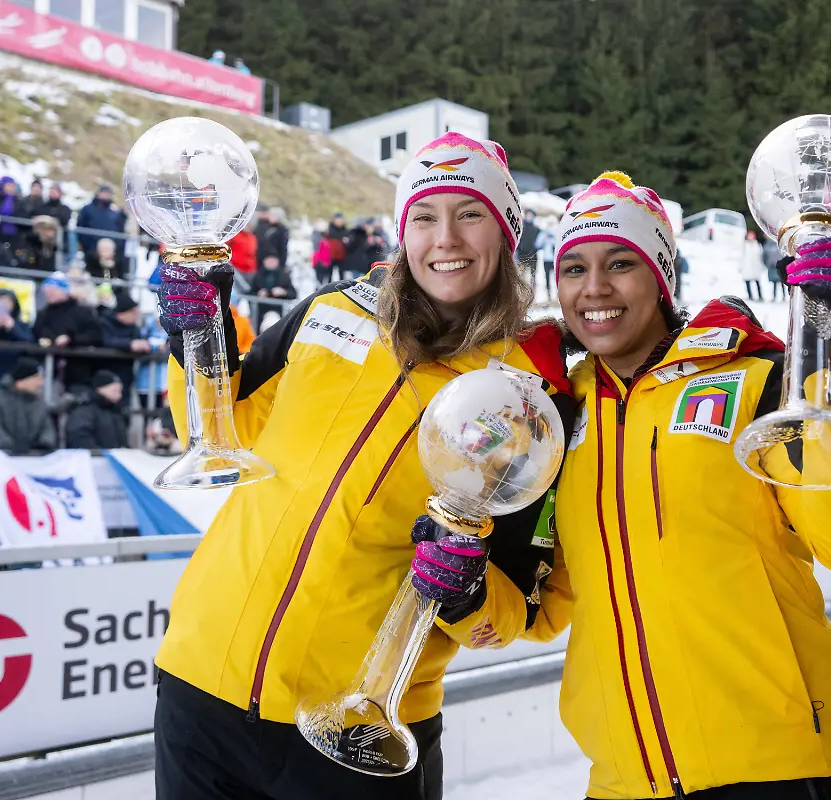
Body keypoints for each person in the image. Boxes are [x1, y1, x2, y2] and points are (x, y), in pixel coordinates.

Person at [151, 132, 574, 800]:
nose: (447, 240)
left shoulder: (530, 395)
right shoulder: (328, 312)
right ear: (403, 231)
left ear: (506, 234)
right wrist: (195, 340)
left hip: (359, 728)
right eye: (427, 216)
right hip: (204, 682)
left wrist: (465, 593)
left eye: (472, 215)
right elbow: (219, 430)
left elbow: (521, 608)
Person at [527, 171, 831, 800]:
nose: (595, 289)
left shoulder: (756, 382)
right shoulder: (553, 413)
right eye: (573, 269)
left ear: (663, 276)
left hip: (788, 766)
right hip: (626, 781)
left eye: (621, 263)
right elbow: (546, 605)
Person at [32, 273, 103, 396]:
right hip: (50, 370)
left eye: (53, 291)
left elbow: (96, 336)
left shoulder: (82, 312)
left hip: (78, 372)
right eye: (47, 291)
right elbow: (36, 333)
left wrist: (72, 339)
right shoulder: (43, 314)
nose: (49, 294)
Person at [0, 357, 57, 453]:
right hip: (0, 459)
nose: (41, 384)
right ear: (21, 380)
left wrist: (44, 445)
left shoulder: (39, 403)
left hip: (34, 460)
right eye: (37, 378)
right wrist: (10, 448)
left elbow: (47, 430)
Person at [100, 291, 149, 398]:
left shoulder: (134, 327)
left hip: (126, 373)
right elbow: (104, 341)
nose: (136, 316)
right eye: (133, 313)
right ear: (123, 313)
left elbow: (140, 341)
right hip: (106, 369)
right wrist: (129, 344)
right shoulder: (105, 323)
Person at [65, 370, 128, 449]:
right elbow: (79, 438)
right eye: (115, 391)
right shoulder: (84, 409)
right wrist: (100, 455)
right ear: (101, 389)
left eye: (120, 391)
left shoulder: (115, 411)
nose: (119, 396)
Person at [75, 185, 126, 259]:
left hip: (110, 250)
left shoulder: (115, 212)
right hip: (91, 248)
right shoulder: (87, 209)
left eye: (108, 193)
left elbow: (120, 230)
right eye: (103, 193)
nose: (106, 195)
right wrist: (87, 245)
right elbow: (80, 225)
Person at [0, 176, 28, 248]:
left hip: (14, 235)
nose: (11, 188)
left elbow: (23, 215)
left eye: (13, 185)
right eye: (8, 185)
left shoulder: (19, 201)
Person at [254, 205, 289, 271]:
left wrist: (282, 264)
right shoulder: (264, 225)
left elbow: (283, 248)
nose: (270, 216)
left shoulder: (282, 230)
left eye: (273, 215)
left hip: (273, 260)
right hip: (260, 259)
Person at [739, 229, 764, 301]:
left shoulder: (757, 245)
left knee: (757, 282)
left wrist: (761, 266)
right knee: (747, 282)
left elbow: (760, 256)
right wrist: (740, 266)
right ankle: (750, 295)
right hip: (747, 266)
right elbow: (741, 256)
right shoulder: (745, 246)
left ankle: (760, 295)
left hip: (755, 266)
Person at [762, 236, 783, 301]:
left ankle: (784, 296)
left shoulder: (780, 244)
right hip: (772, 267)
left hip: (780, 267)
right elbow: (764, 256)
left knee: (782, 282)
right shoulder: (767, 245)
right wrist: (767, 264)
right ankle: (774, 296)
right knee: (774, 282)